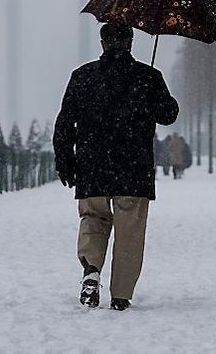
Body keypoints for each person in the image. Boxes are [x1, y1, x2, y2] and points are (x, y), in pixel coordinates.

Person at [53, 22, 178, 311]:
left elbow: (65, 122)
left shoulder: (82, 77)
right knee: (130, 232)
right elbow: (168, 115)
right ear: (131, 42)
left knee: (93, 219)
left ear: (103, 43)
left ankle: (92, 269)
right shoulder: (148, 76)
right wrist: (162, 97)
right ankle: (121, 295)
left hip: (92, 164)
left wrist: (64, 158)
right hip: (133, 168)